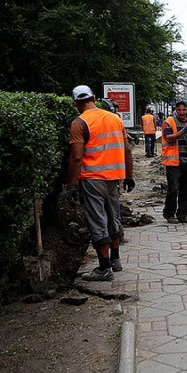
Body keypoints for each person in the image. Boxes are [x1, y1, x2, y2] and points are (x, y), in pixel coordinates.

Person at [66, 85, 134, 282]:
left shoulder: (79, 123)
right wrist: (129, 175)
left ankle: (104, 268)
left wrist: (71, 185)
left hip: (92, 178)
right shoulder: (115, 118)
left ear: (75, 103)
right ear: (94, 98)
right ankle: (115, 259)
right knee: (113, 217)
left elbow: (76, 157)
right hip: (114, 177)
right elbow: (127, 149)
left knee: (97, 221)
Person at [162, 100, 187, 224]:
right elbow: (168, 138)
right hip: (173, 162)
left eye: (184, 110)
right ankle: (169, 214)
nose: (182, 112)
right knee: (173, 188)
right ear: (176, 110)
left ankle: (183, 214)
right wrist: (182, 132)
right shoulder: (169, 122)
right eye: (179, 110)